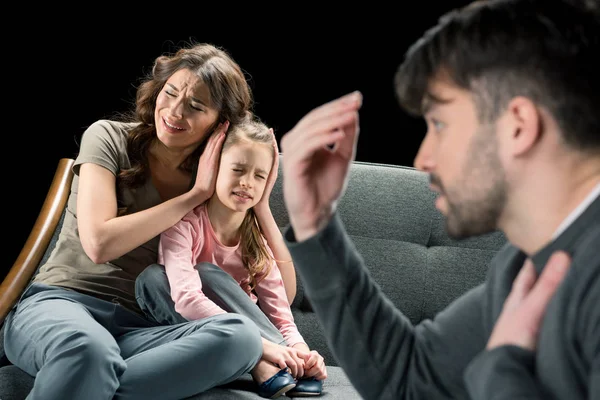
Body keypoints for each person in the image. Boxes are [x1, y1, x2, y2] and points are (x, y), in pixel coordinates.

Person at [278, 0, 600, 399]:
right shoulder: (523, 268)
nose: (423, 159)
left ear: (518, 126)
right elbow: (410, 378)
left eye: (440, 124)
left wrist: (502, 368)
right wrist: (315, 220)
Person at [2, 42, 295, 400]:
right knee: (87, 351)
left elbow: (284, 291)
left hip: (148, 329)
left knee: (242, 337)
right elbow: (99, 244)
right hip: (64, 304)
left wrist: (261, 206)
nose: (173, 111)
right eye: (170, 93)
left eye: (195, 106)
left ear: (221, 124)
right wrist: (193, 196)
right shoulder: (109, 137)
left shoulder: (222, 175)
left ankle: (94, 385)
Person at [135, 116, 327, 398]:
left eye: (259, 176)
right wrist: (258, 345)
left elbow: (281, 316)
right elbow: (186, 299)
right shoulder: (184, 226)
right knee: (153, 279)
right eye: (238, 169)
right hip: (189, 330)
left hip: (250, 339)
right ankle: (258, 362)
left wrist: (301, 351)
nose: (247, 183)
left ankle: (274, 364)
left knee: (213, 277)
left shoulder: (256, 244)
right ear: (214, 169)